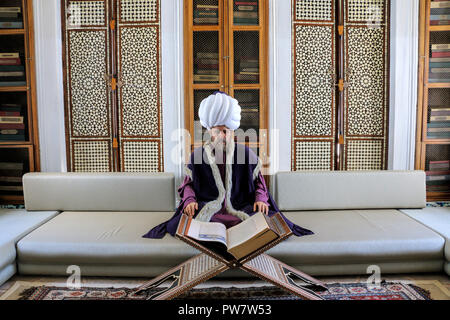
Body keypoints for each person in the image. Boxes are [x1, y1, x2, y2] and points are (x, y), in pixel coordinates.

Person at [142, 91, 314, 239]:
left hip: (240, 206)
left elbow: (260, 184)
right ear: (210, 131)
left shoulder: (246, 154)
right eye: (217, 131)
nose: (222, 136)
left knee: (261, 218)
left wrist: (261, 199)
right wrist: (189, 200)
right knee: (191, 219)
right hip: (211, 208)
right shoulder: (197, 156)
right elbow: (187, 184)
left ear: (232, 131)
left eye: (226, 131)